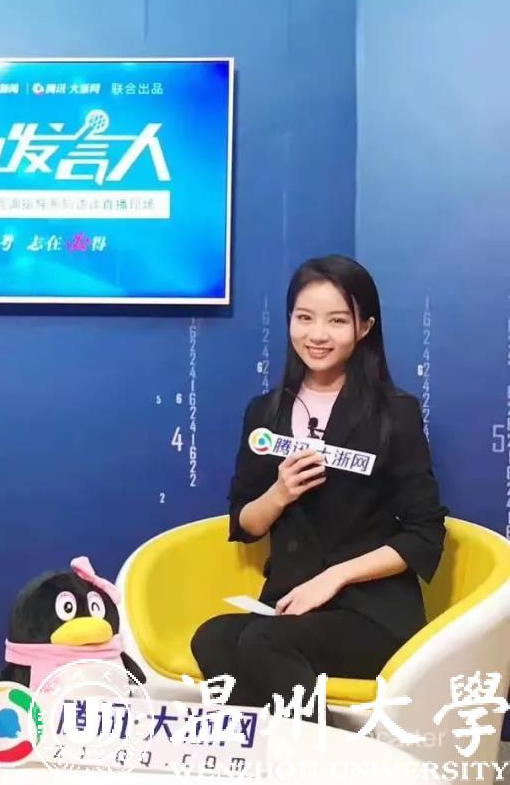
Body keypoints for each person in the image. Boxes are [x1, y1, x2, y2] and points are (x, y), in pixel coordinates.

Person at [191, 255, 447, 713]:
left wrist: (333, 578)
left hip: (371, 613)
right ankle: (275, 748)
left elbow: (424, 535)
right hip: (290, 606)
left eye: (337, 320)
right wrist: (279, 494)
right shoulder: (265, 413)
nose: (317, 335)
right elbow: (245, 523)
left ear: (365, 328)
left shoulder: (395, 413)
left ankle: (316, 753)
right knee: (212, 638)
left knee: (263, 643)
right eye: (304, 318)